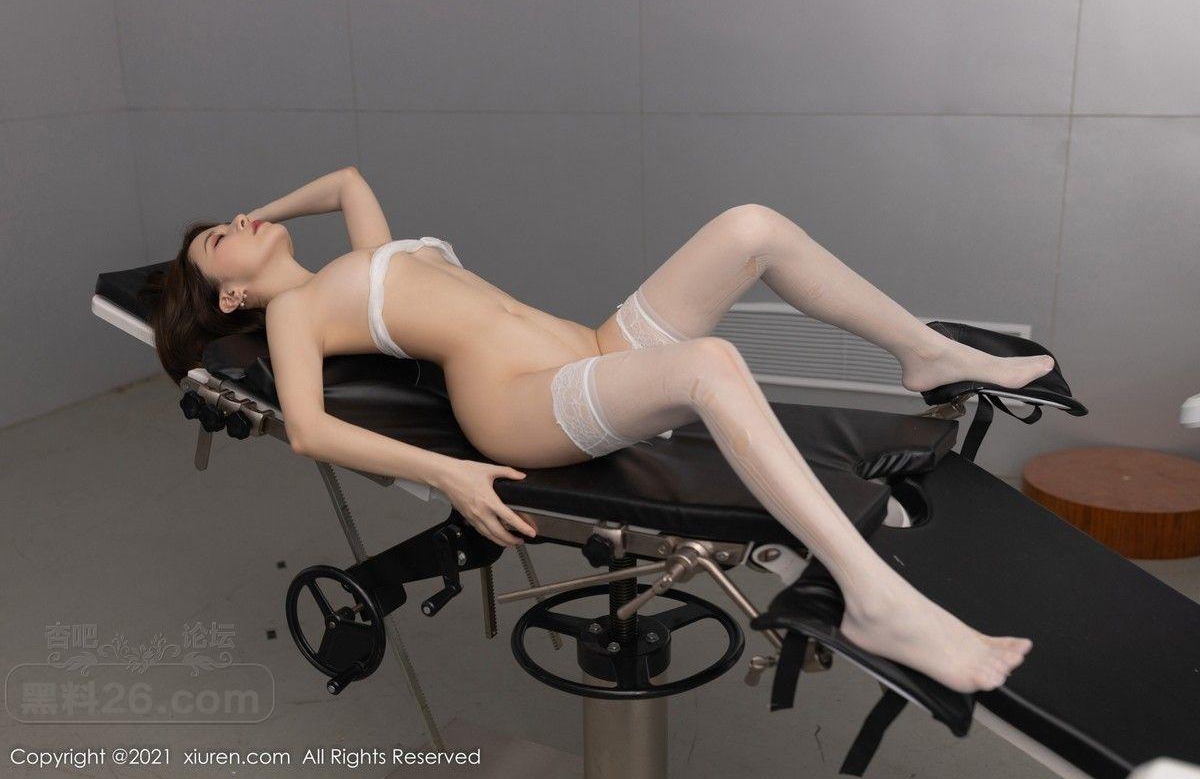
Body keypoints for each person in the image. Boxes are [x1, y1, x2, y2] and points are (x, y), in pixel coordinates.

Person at [146, 166, 1049, 694]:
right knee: (710, 365)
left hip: (593, 349)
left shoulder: (355, 257)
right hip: (520, 405)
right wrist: (450, 474)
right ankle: (873, 597)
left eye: (232, 218)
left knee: (752, 226)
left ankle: (927, 356)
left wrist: (263, 215)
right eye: (221, 240)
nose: (240, 220)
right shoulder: (298, 312)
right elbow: (307, 429)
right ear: (231, 296)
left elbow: (347, 178)